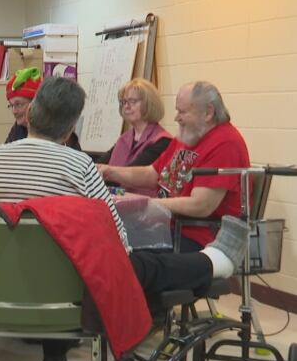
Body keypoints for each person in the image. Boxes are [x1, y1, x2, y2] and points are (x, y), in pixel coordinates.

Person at [0, 77, 249, 361]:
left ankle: (62, 355)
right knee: (126, 263)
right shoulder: (78, 165)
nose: (176, 117)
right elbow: (116, 236)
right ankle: (212, 264)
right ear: (71, 126)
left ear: (31, 113)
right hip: (65, 293)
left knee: (56, 252)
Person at [97, 81, 251, 251]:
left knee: (112, 249)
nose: (176, 117)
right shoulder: (187, 137)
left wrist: (145, 204)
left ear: (208, 112)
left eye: (182, 111)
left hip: (195, 238)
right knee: (102, 236)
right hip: (167, 229)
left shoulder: (225, 143)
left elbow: (201, 205)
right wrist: (110, 172)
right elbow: (153, 174)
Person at [95, 78, 172, 174]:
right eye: (124, 102)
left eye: (132, 101)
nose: (127, 106)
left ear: (148, 103)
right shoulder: (124, 138)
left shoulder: (162, 140)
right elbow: (99, 165)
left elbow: (132, 173)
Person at [4, 67, 81, 150]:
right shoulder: (18, 129)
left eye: (18, 105)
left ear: (34, 105)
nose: (14, 111)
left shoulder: (58, 127)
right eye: (11, 105)